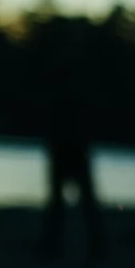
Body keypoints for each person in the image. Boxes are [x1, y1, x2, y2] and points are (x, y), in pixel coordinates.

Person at [41, 90, 105, 256]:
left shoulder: (65, 96)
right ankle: (93, 244)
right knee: (68, 203)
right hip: (70, 150)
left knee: (67, 204)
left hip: (70, 150)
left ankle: (93, 244)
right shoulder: (74, 95)